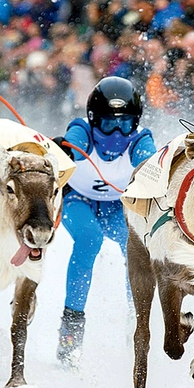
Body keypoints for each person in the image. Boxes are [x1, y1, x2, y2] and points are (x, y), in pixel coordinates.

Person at [55, 77, 156, 368]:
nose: (116, 133)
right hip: (78, 200)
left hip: (116, 206)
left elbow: (149, 160)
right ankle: (70, 332)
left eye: (124, 124)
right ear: (92, 120)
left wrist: (152, 165)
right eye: (107, 123)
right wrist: (65, 150)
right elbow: (73, 145)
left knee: (137, 247)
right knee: (89, 240)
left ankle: (138, 325)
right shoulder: (82, 130)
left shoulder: (139, 138)